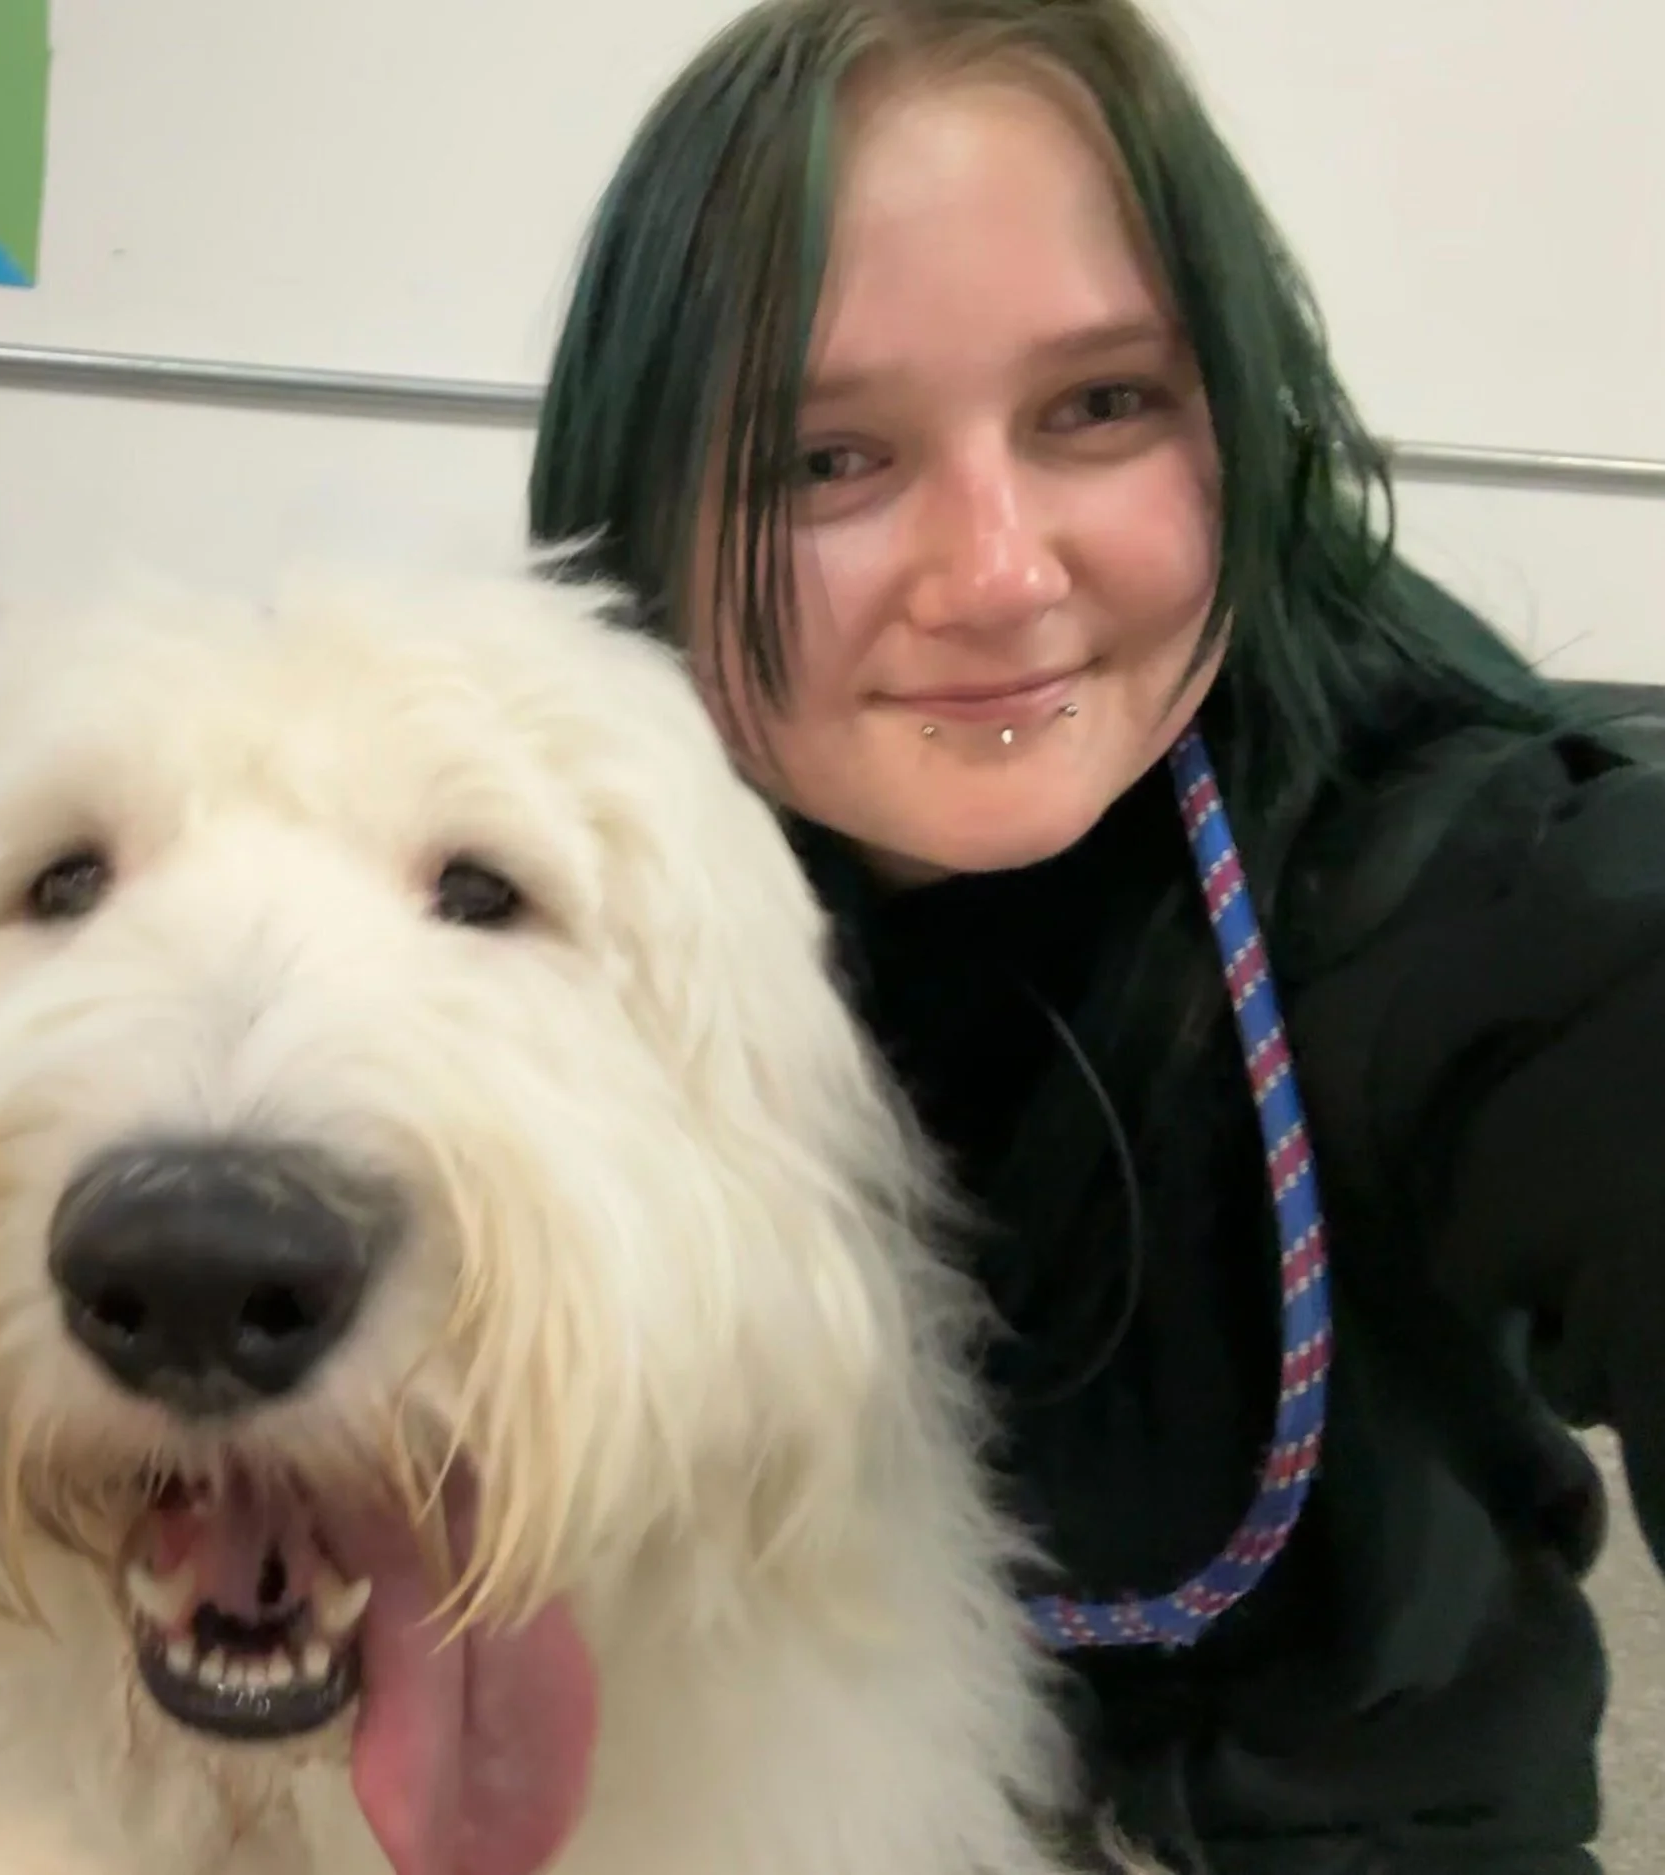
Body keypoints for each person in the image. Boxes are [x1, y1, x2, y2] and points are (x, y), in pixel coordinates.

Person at [524, 2, 1665, 1870]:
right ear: (637, 510)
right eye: (826, 459)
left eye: (1100, 407)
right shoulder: (534, 916)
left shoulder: (1462, 891)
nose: (996, 574)